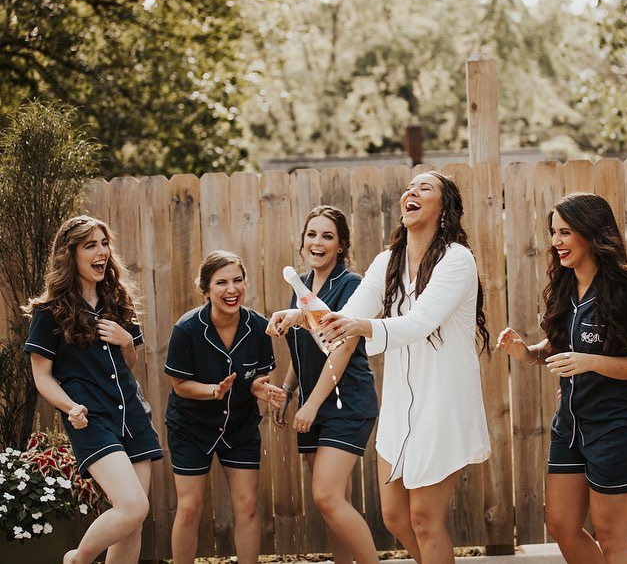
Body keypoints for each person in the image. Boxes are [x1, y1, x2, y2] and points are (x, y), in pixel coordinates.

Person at [318, 171, 491, 564]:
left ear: (443, 208)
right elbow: (347, 315)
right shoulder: (388, 261)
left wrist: (362, 327)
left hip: (443, 404)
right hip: (401, 406)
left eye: (424, 188)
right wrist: (299, 315)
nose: (410, 192)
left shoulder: (457, 260)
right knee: (396, 517)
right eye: (409, 188)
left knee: (425, 518)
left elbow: (419, 323)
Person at [496, 193, 627, 564]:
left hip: (619, 427)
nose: (556, 242)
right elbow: (556, 349)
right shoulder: (565, 287)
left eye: (565, 232)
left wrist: (591, 361)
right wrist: (527, 353)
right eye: (554, 232)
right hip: (569, 426)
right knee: (561, 523)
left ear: (592, 233)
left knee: (611, 536)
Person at [23, 215, 163, 564]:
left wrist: (126, 341)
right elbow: (42, 377)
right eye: (90, 246)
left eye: (104, 243)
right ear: (70, 255)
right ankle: (77, 559)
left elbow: (126, 364)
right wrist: (70, 406)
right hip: (91, 420)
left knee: (133, 524)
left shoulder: (118, 299)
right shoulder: (49, 312)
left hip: (133, 416)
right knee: (132, 507)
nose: (101, 252)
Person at [266, 205, 380, 563]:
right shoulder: (299, 286)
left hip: (346, 403)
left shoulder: (351, 285)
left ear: (341, 245)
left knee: (326, 497)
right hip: (312, 402)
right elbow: (304, 353)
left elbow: (341, 349)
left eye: (327, 236)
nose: (318, 242)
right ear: (303, 242)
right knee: (336, 501)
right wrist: (287, 392)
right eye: (312, 235)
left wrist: (311, 405)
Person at [164, 250, 283, 564]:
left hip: (240, 427)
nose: (232, 289)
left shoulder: (258, 327)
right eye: (222, 283)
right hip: (190, 427)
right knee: (189, 508)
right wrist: (213, 391)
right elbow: (179, 385)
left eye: (237, 280)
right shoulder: (186, 329)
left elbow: (259, 376)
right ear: (206, 289)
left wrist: (261, 388)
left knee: (247, 506)